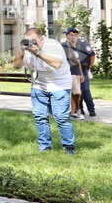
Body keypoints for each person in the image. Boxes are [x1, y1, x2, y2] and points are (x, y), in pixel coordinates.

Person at [13, 27, 76, 155]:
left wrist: (38, 53)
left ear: (41, 40)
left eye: (34, 41)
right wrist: (21, 52)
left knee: (61, 117)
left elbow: (56, 63)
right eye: (27, 41)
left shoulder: (53, 45)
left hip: (59, 85)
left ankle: (69, 147)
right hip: (38, 85)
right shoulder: (27, 49)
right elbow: (16, 66)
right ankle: (44, 147)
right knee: (40, 117)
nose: (31, 44)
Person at [62, 27, 96, 116]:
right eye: (70, 35)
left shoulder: (83, 43)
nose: (72, 37)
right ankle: (79, 109)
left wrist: (89, 68)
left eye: (74, 35)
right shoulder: (65, 45)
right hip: (71, 70)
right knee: (76, 91)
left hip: (83, 69)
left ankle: (91, 109)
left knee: (85, 90)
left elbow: (92, 55)